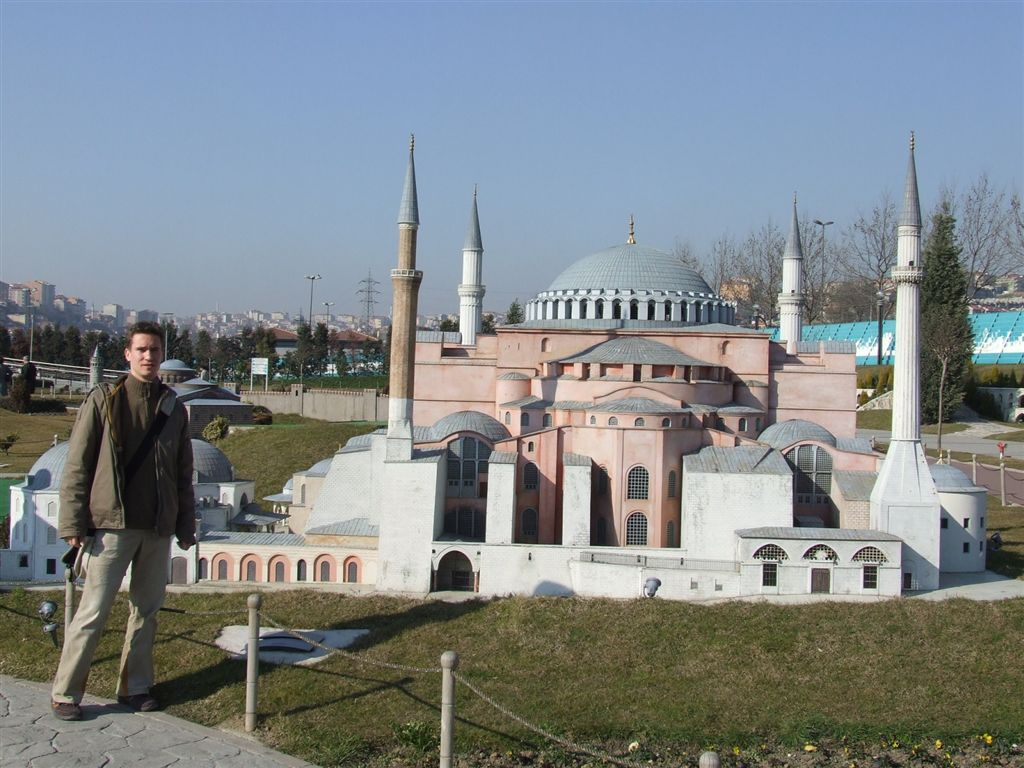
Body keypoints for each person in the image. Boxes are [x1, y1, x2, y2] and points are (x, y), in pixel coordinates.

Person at [51, 321, 195, 721]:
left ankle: (135, 687)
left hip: (156, 527)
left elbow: (184, 472)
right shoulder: (104, 399)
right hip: (112, 525)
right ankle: (66, 692)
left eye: (155, 350)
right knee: (93, 611)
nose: (149, 356)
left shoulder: (173, 406)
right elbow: (77, 465)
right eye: (142, 350)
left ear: (162, 355)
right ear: (128, 355)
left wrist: (185, 525)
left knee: (146, 611)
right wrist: (72, 525)